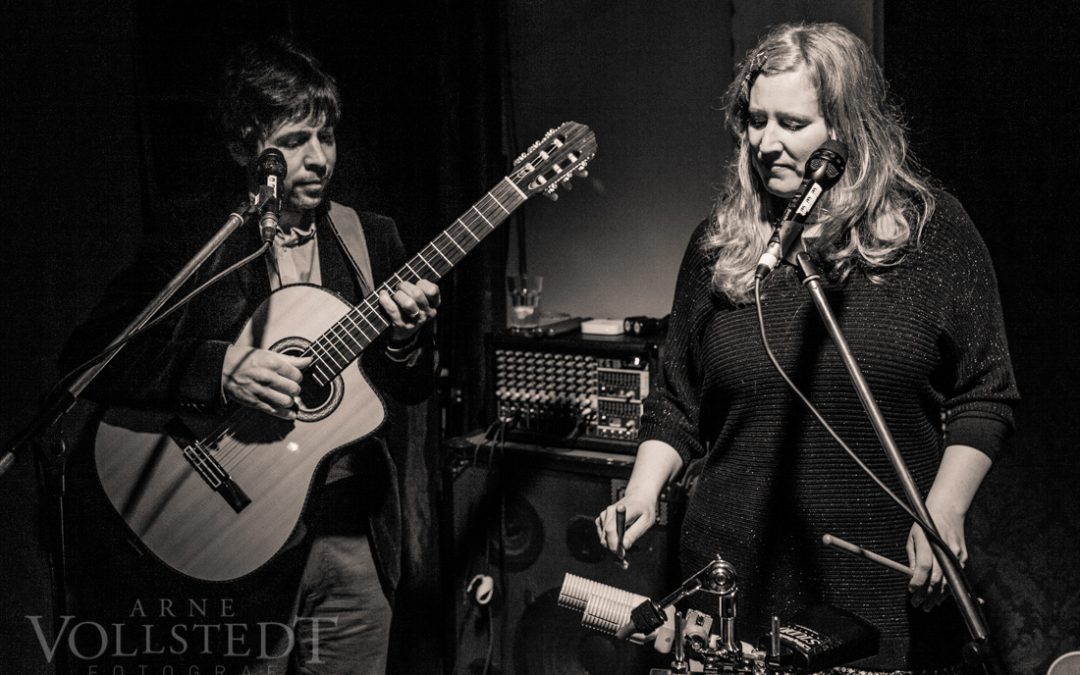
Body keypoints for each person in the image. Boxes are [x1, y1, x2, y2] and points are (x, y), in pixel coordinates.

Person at [596, 22, 1019, 674]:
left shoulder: (931, 234)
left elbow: (985, 392)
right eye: (755, 121)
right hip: (730, 578)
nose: (766, 143)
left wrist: (946, 508)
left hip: (879, 584)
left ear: (850, 130)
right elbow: (677, 401)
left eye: (792, 123)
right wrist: (644, 489)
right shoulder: (718, 246)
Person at [59, 38, 437, 674]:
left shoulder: (370, 238)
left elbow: (409, 385)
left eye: (326, 137)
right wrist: (219, 371)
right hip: (238, 536)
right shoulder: (196, 238)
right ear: (244, 148)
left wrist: (404, 340)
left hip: (353, 534)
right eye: (294, 141)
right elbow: (89, 358)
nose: (319, 159)